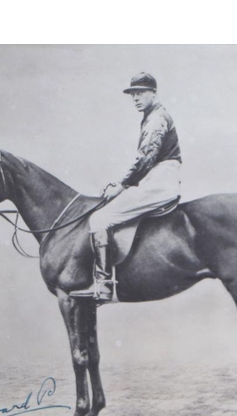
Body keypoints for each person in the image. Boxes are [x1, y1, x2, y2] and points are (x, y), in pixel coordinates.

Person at [70, 72, 182, 302]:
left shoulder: (156, 118)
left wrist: (121, 186)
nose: (136, 98)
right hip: (155, 179)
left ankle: (103, 285)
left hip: (159, 182)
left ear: (154, 93)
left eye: (141, 93)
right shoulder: (152, 116)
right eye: (133, 94)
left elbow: (145, 158)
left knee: (100, 219)